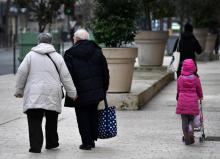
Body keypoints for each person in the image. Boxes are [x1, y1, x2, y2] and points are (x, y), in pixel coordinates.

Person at [14, 33, 76, 153]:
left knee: (34, 120)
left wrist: (19, 91)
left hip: (34, 92)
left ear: (38, 41)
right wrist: (72, 93)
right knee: (52, 118)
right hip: (53, 91)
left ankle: (35, 147)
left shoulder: (30, 56)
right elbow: (66, 76)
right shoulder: (57, 57)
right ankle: (52, 143)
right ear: (51, 42)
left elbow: (21, 73)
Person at [64, 29, 109, 150]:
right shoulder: (98, 51)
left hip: (79, 93)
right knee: (93, 113)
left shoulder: (69, 53)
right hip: (96, 91)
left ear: (76, 39)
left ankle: (87, 142)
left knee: (82, 116)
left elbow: (68, 75)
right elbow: (105, 72)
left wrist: (71, 91)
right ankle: (92, 139)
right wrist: (104, 88)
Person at [176, 59, 203, 145]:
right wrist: (201, 96)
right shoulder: (196, 79)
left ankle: (187, 139)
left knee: (184, 121)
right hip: (192, 103)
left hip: (182, 102)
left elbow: (178, 90)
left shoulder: (180, 78)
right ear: (194, 68)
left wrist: (178, 97)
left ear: (183, 68)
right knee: (191, 119)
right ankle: (191, 131)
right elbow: (199, 89)